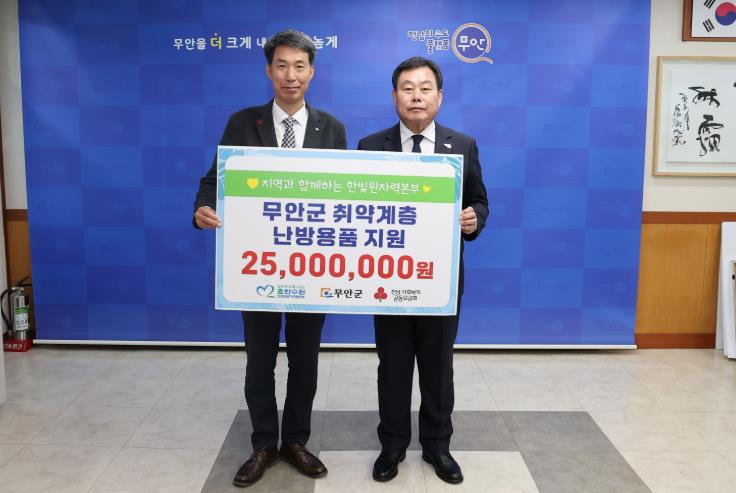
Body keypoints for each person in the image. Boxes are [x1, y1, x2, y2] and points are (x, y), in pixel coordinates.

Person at [193, 30, 346, 488]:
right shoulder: (243, 122)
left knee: (305, 360)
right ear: (268, 70)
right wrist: (203, 208)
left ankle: (295, 440)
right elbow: (214, 180)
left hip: (311, 267)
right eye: (282, 65)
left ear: (312, 71)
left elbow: (344, 191)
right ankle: (263, 444)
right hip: (257, 266)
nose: (290, 75)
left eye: (299, 66)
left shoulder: (331, 129)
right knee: (259, 361)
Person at [357, 57, 489, 485]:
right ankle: (393, 445)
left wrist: (474, 218)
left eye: (425, 88)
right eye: (408, 88)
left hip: (440, 281)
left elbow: (480, 200)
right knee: (393, 366)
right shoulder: (370, 146)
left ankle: (437, 445)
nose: (416, 96)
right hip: (388, 279)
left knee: (437, 366)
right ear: (394, 95)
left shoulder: (462, 145)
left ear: (439, 96)